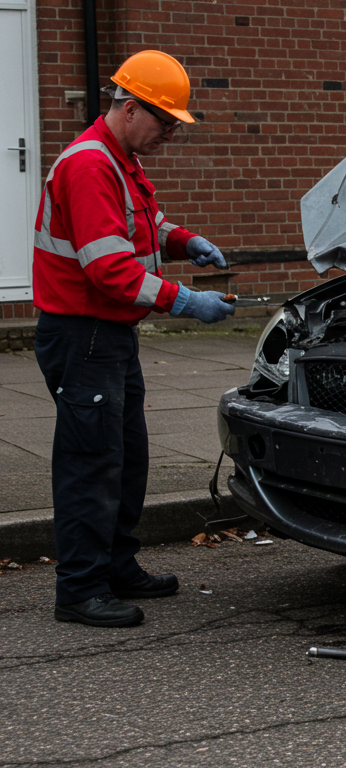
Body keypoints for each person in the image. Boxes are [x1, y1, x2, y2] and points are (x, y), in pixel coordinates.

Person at [32, 50, 236, 627]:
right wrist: (186, 301)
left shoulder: (119, 159)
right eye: (165, 121)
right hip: (84, 335)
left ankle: (116, 566)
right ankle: (79, 589)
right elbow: (109, 268)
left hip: (106, 338)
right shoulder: (92, 166)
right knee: (90, 463)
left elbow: (143, 224)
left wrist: (185, 240)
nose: (170, 133)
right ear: (129, 106)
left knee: (124, 460)